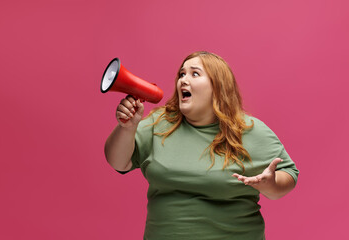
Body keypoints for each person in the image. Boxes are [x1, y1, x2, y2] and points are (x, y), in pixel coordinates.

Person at [104, 51, 299, 240]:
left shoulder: (250, 130)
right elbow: (119, 163)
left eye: (194, 73)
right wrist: (127, 128)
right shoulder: (158, 124)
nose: (183, 80)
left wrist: (270, 184)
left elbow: (289, 174)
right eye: (181, 74)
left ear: (218, 86)